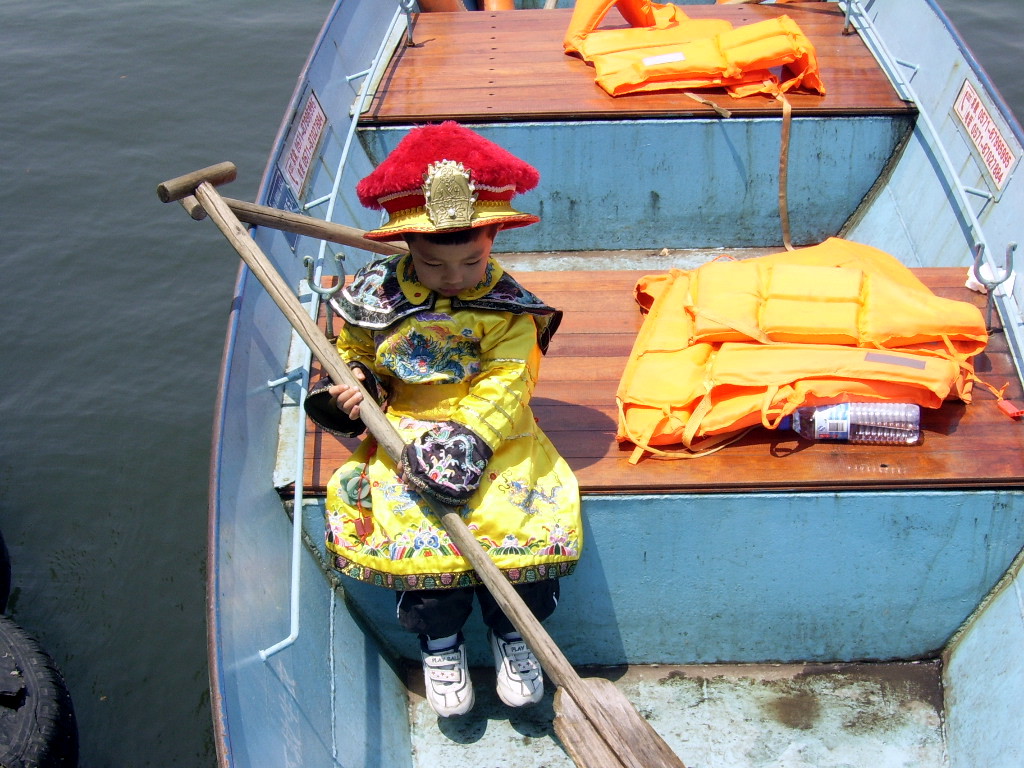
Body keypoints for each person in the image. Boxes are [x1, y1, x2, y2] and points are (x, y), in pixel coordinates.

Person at [303, 121, 582, 718]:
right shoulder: (373, 297)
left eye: (472, 261)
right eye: (434, 265)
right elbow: (348, 354)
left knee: (520, 514)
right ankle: (441, 641)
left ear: (495, 243)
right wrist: (360, 389)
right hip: (403, 427)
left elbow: (510, 381)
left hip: (495, 434)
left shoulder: (508, 308)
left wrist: (472, 439)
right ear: (408, 250)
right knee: (414, 522)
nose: (455, 278)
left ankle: (516, 633)